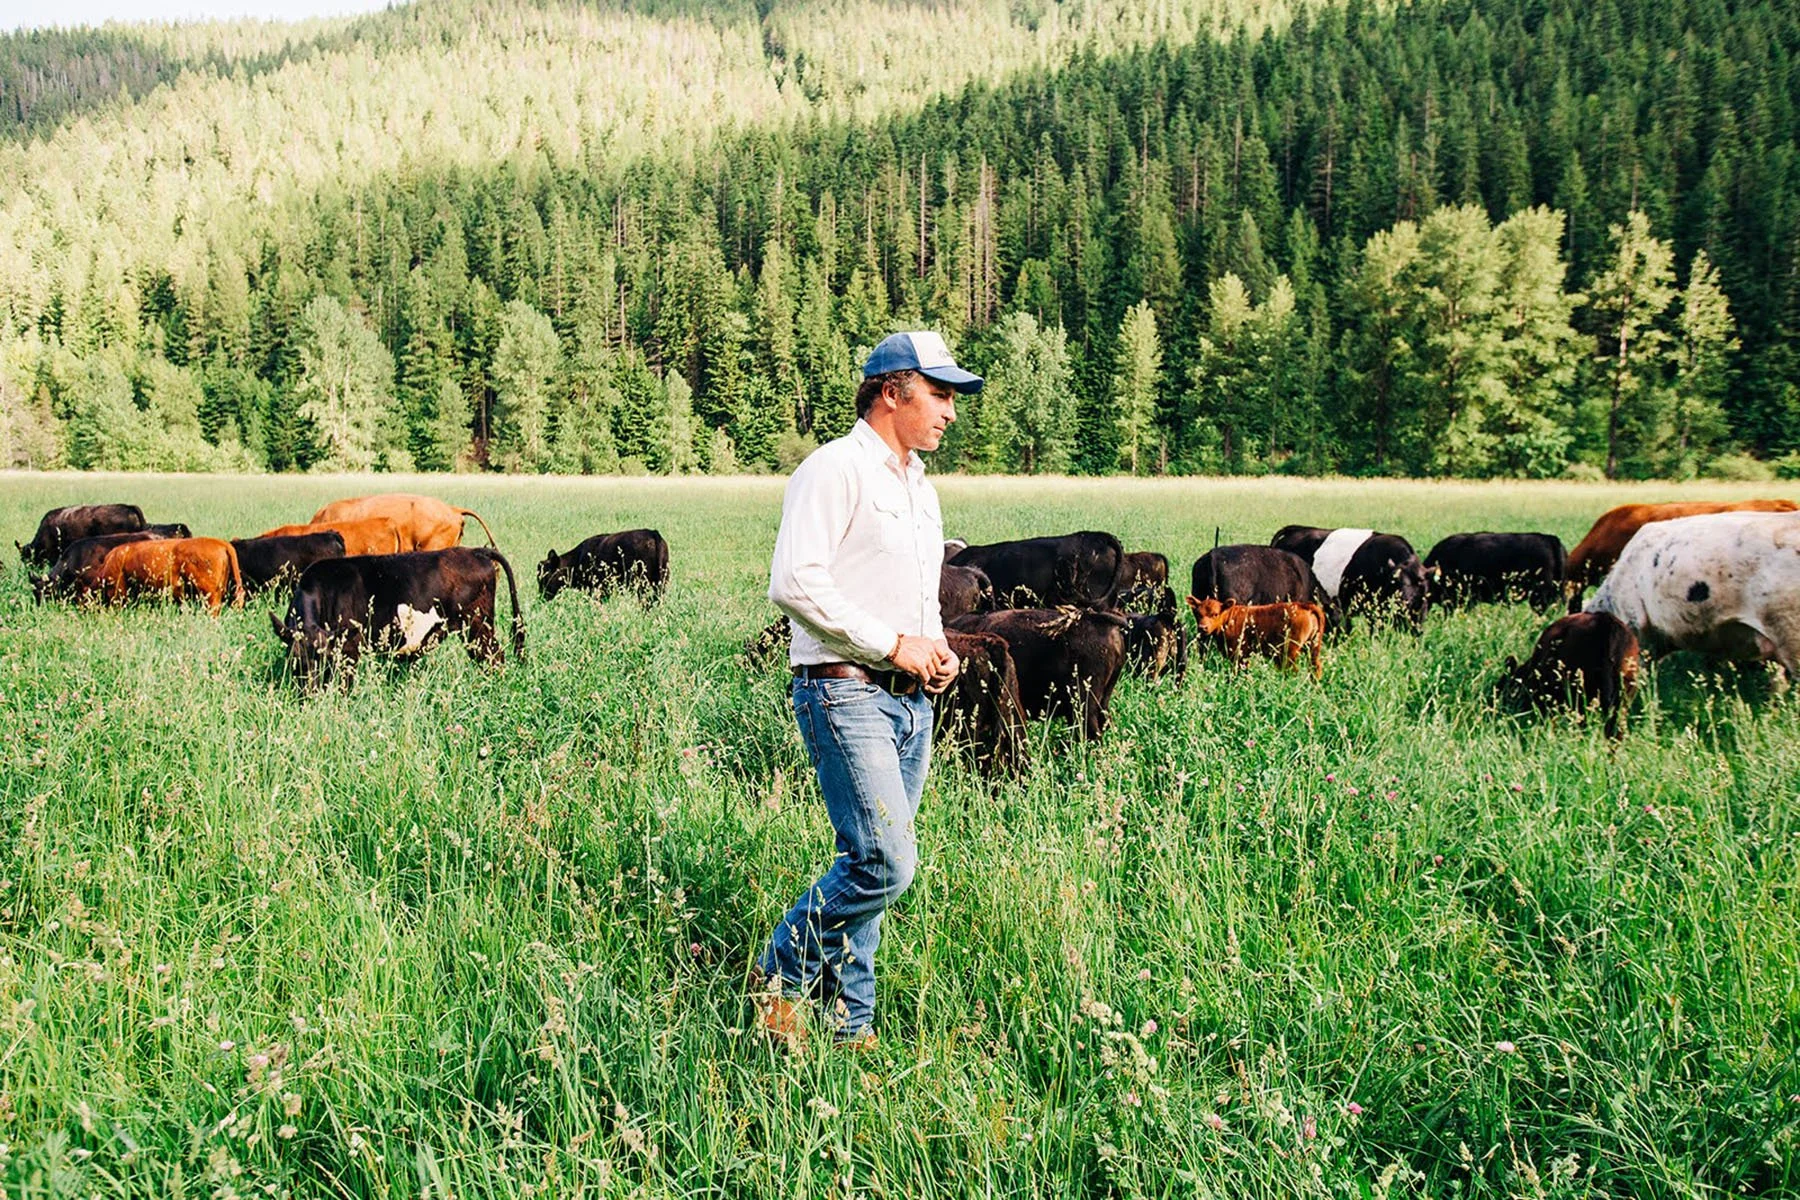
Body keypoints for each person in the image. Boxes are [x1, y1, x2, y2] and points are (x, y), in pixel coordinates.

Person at [754, 330, 983, 1049]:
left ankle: (850, 1025)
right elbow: (793, 581)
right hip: (845, 688)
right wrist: (894, 646)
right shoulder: (834, 470)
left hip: (911, 699)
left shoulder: (920, 487)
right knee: (888, 861)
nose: (951, 411)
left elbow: (919, 598)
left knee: (868, 864)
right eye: (940, 394)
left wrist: (936, 647)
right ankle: (780, 974)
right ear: (892, 392)